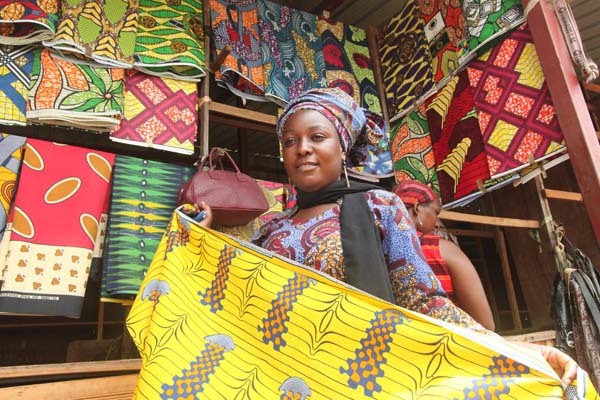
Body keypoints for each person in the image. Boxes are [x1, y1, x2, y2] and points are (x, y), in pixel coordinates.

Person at [191, 87, 577, 385]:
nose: (302, 149)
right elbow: (234, 298)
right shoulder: (272, 230)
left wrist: (510, 349)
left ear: (343, 148)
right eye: (290, 141)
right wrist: (199, 238)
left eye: (317, 137)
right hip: (286, 380)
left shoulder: (379, 206)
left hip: (365, 378)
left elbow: (419, 298)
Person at [393, 179, 496, 331]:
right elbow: (485, 324)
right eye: (436, 212)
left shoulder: (379, 251)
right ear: (417, 208)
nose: (437, 223)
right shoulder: (441, 249)